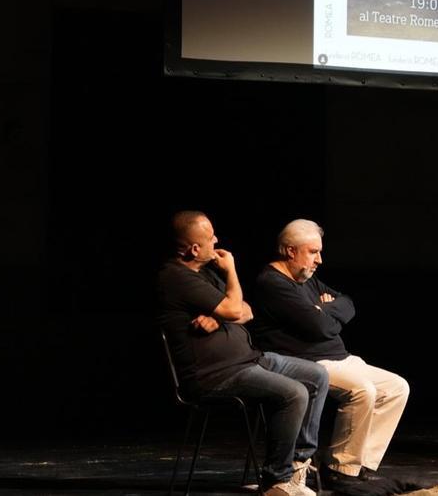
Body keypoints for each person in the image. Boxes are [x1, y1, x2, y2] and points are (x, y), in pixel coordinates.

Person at [155, 211, 328, 496]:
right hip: (214, 375)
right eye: (211, 237)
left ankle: (297, 462)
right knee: (294, 392)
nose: (217, 241)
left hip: (248, 360)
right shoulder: (176, 277)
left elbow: (246, 310)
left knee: (317, 375)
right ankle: (277, 480)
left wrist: (220, 316)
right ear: (195, 248)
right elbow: (236, 308)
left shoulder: (207, 272)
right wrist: (231, 271)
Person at [249, 220, 410, 490]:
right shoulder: (273, 283)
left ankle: (360, 467)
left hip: (340, 358)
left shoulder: (306, 279)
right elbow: (319, 327)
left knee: (397, 387)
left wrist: (324, 309)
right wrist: (324, 314)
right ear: (290, 251)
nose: (319, 260)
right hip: (309, 363)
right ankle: (339, 468)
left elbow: (347, 303)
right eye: (313, 252)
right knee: (363, 391)